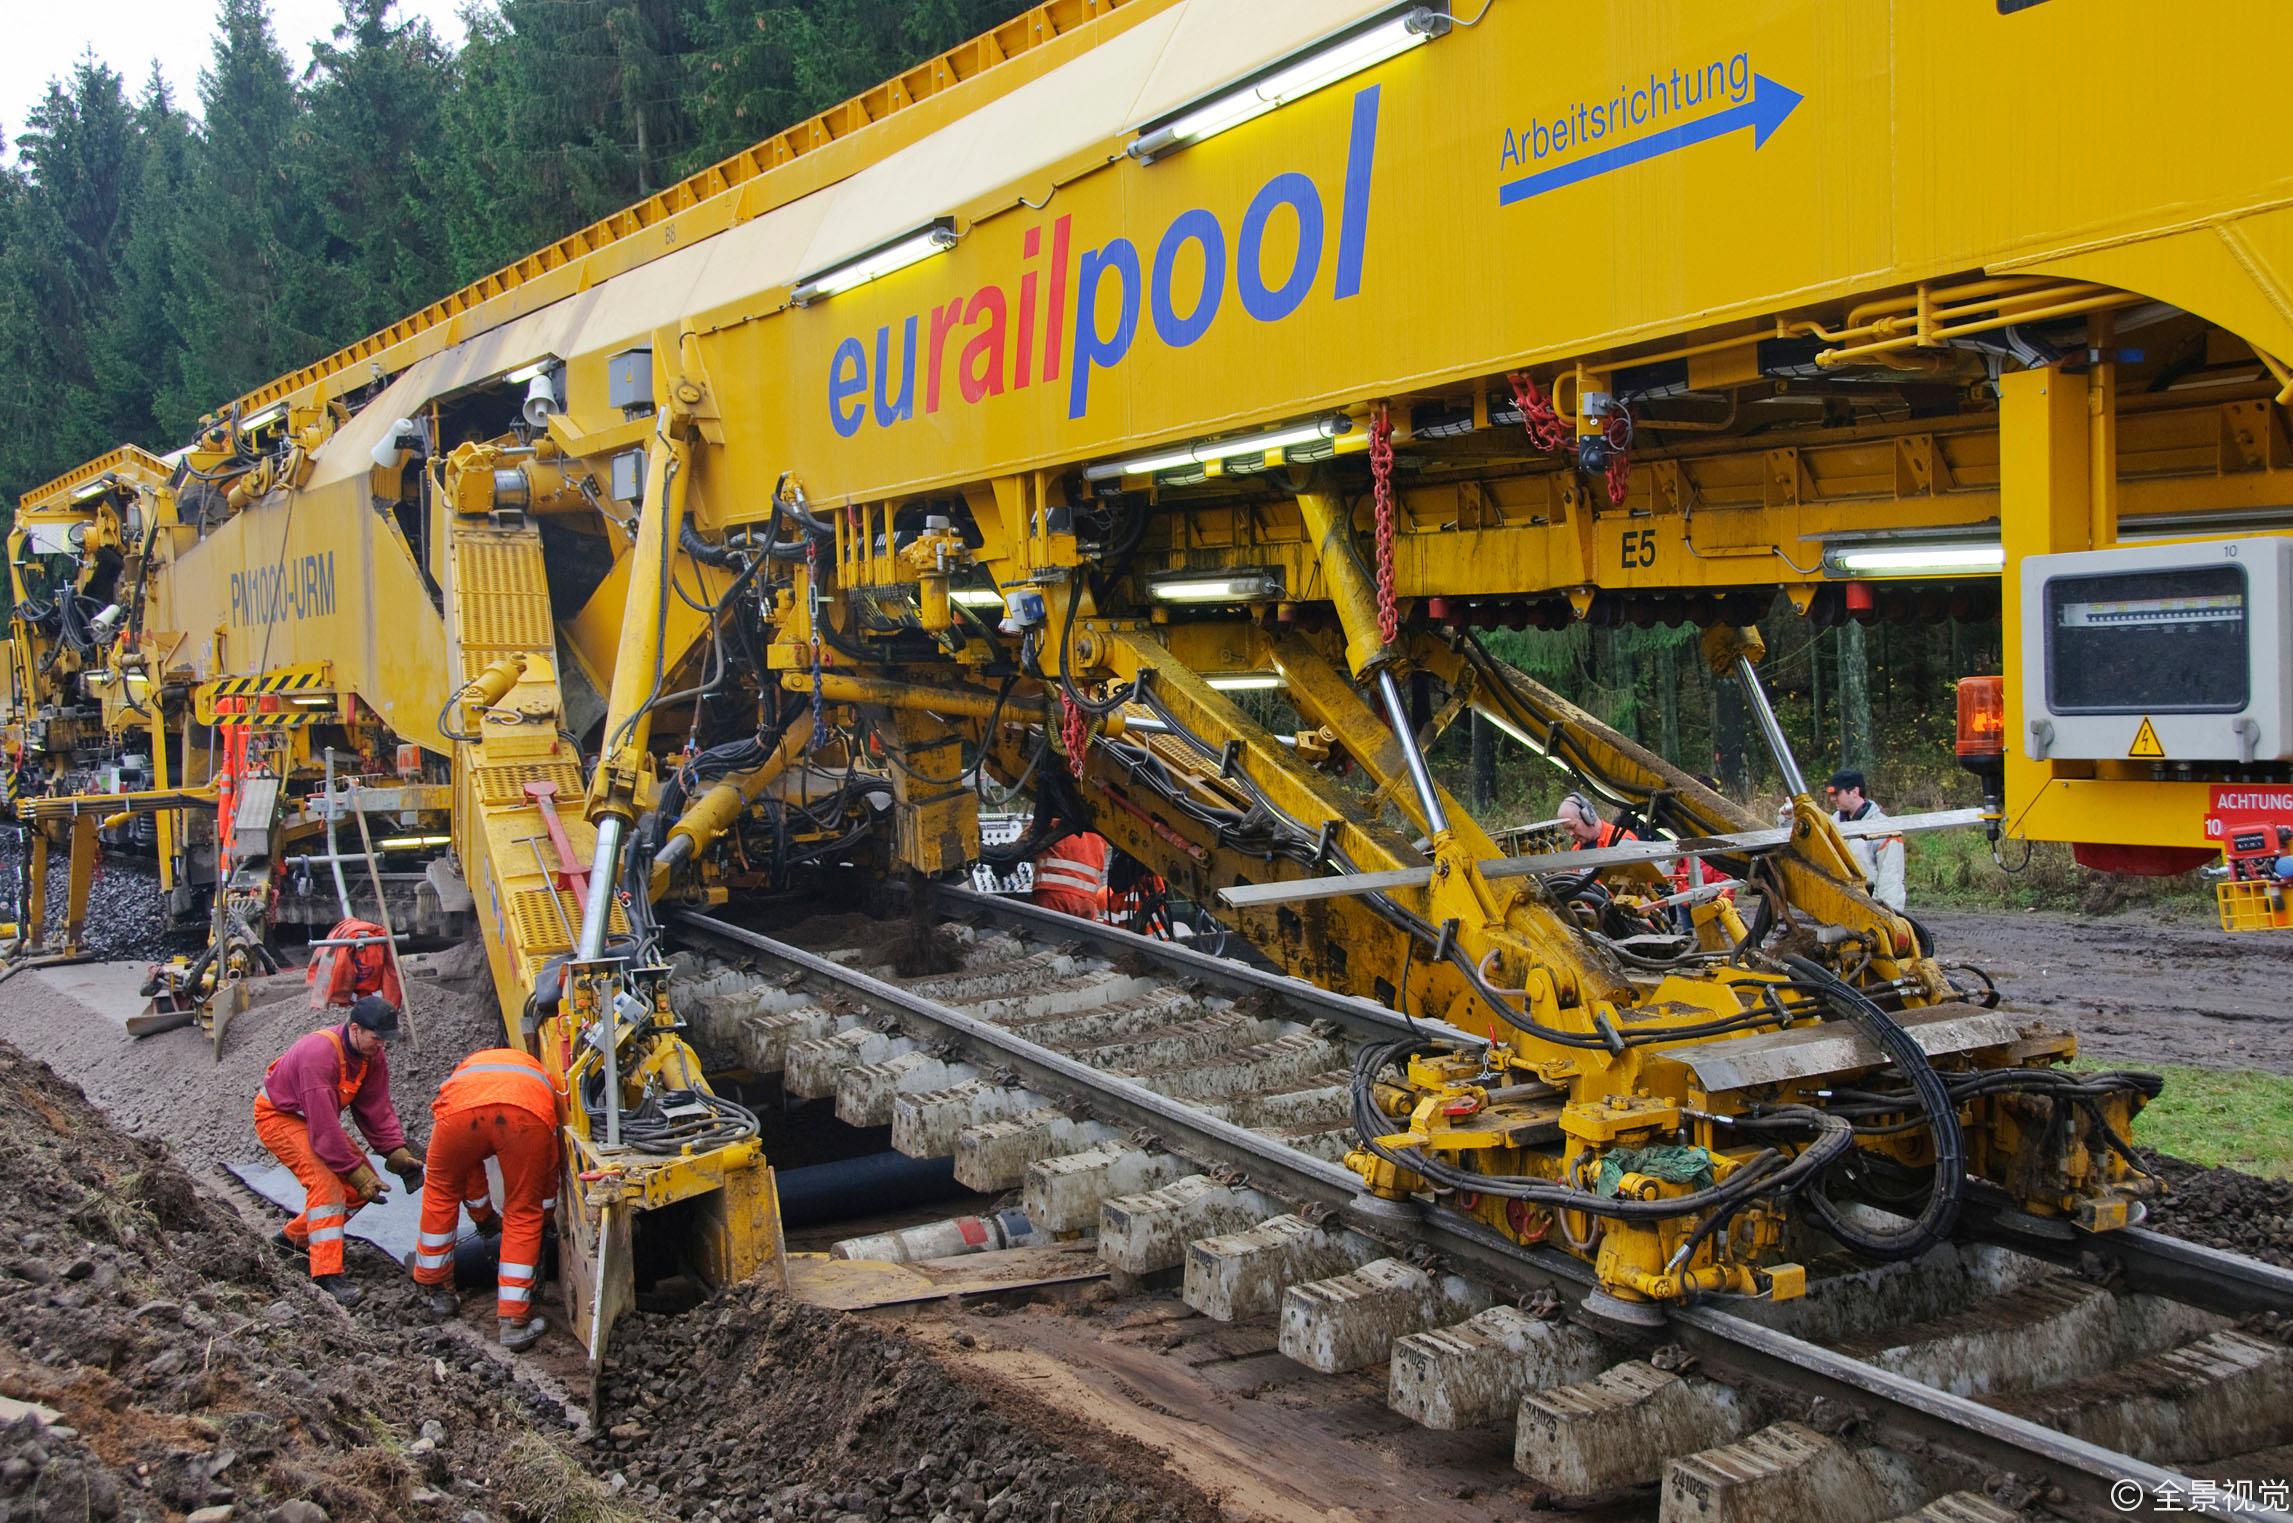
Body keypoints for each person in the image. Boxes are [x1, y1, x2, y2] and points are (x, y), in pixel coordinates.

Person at [252, 995, 421, 1306]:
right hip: (280, 1117)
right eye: (377, 1038)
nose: (381, 1045)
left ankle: (291, 1242)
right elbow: (324, 1131)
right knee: (328, 1186)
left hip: (315, 1120)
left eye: (386, 1040)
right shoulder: (320, 1055)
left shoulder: (371, 1056)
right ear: (355, 1029)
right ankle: (327, 1274)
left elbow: (375, 1108)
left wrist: (394, 1150)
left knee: (362, 1188)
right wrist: (351, 1170)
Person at [410, 1047, 562, 1351]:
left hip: (459, 1112)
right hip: (524, 1114)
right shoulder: (541, 1077)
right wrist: (544, 1219)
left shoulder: (469, 1070)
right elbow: (548, 1168)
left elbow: (468, 1169)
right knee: (523, 1211)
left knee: (440, 1190)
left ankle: (437, 1292)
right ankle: (514, 1323)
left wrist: (484, 1217)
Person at [1827, 769, 1905, 910]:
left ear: (1855, 792)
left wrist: (1889, 917)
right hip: (1838, 908)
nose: (1832, 799)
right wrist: (1788, 820)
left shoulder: (1885, 829)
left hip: (1870, 909)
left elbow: (1890, 880)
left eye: (1836, 793)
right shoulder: (1831, 824)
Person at [1032, 830, 1113, 920]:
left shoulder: (1052, 819)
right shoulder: (1099, 832)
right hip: (1087, 900)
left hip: (1054, 893)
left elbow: (1026, 841)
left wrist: (1013, 858)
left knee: (1049, 932)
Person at [1558, 792, 1636, 851]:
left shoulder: (1622, 840)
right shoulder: (1576, 850)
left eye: (1572, 827)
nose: (1571, 834)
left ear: (1588, 816)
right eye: (1567, 830)